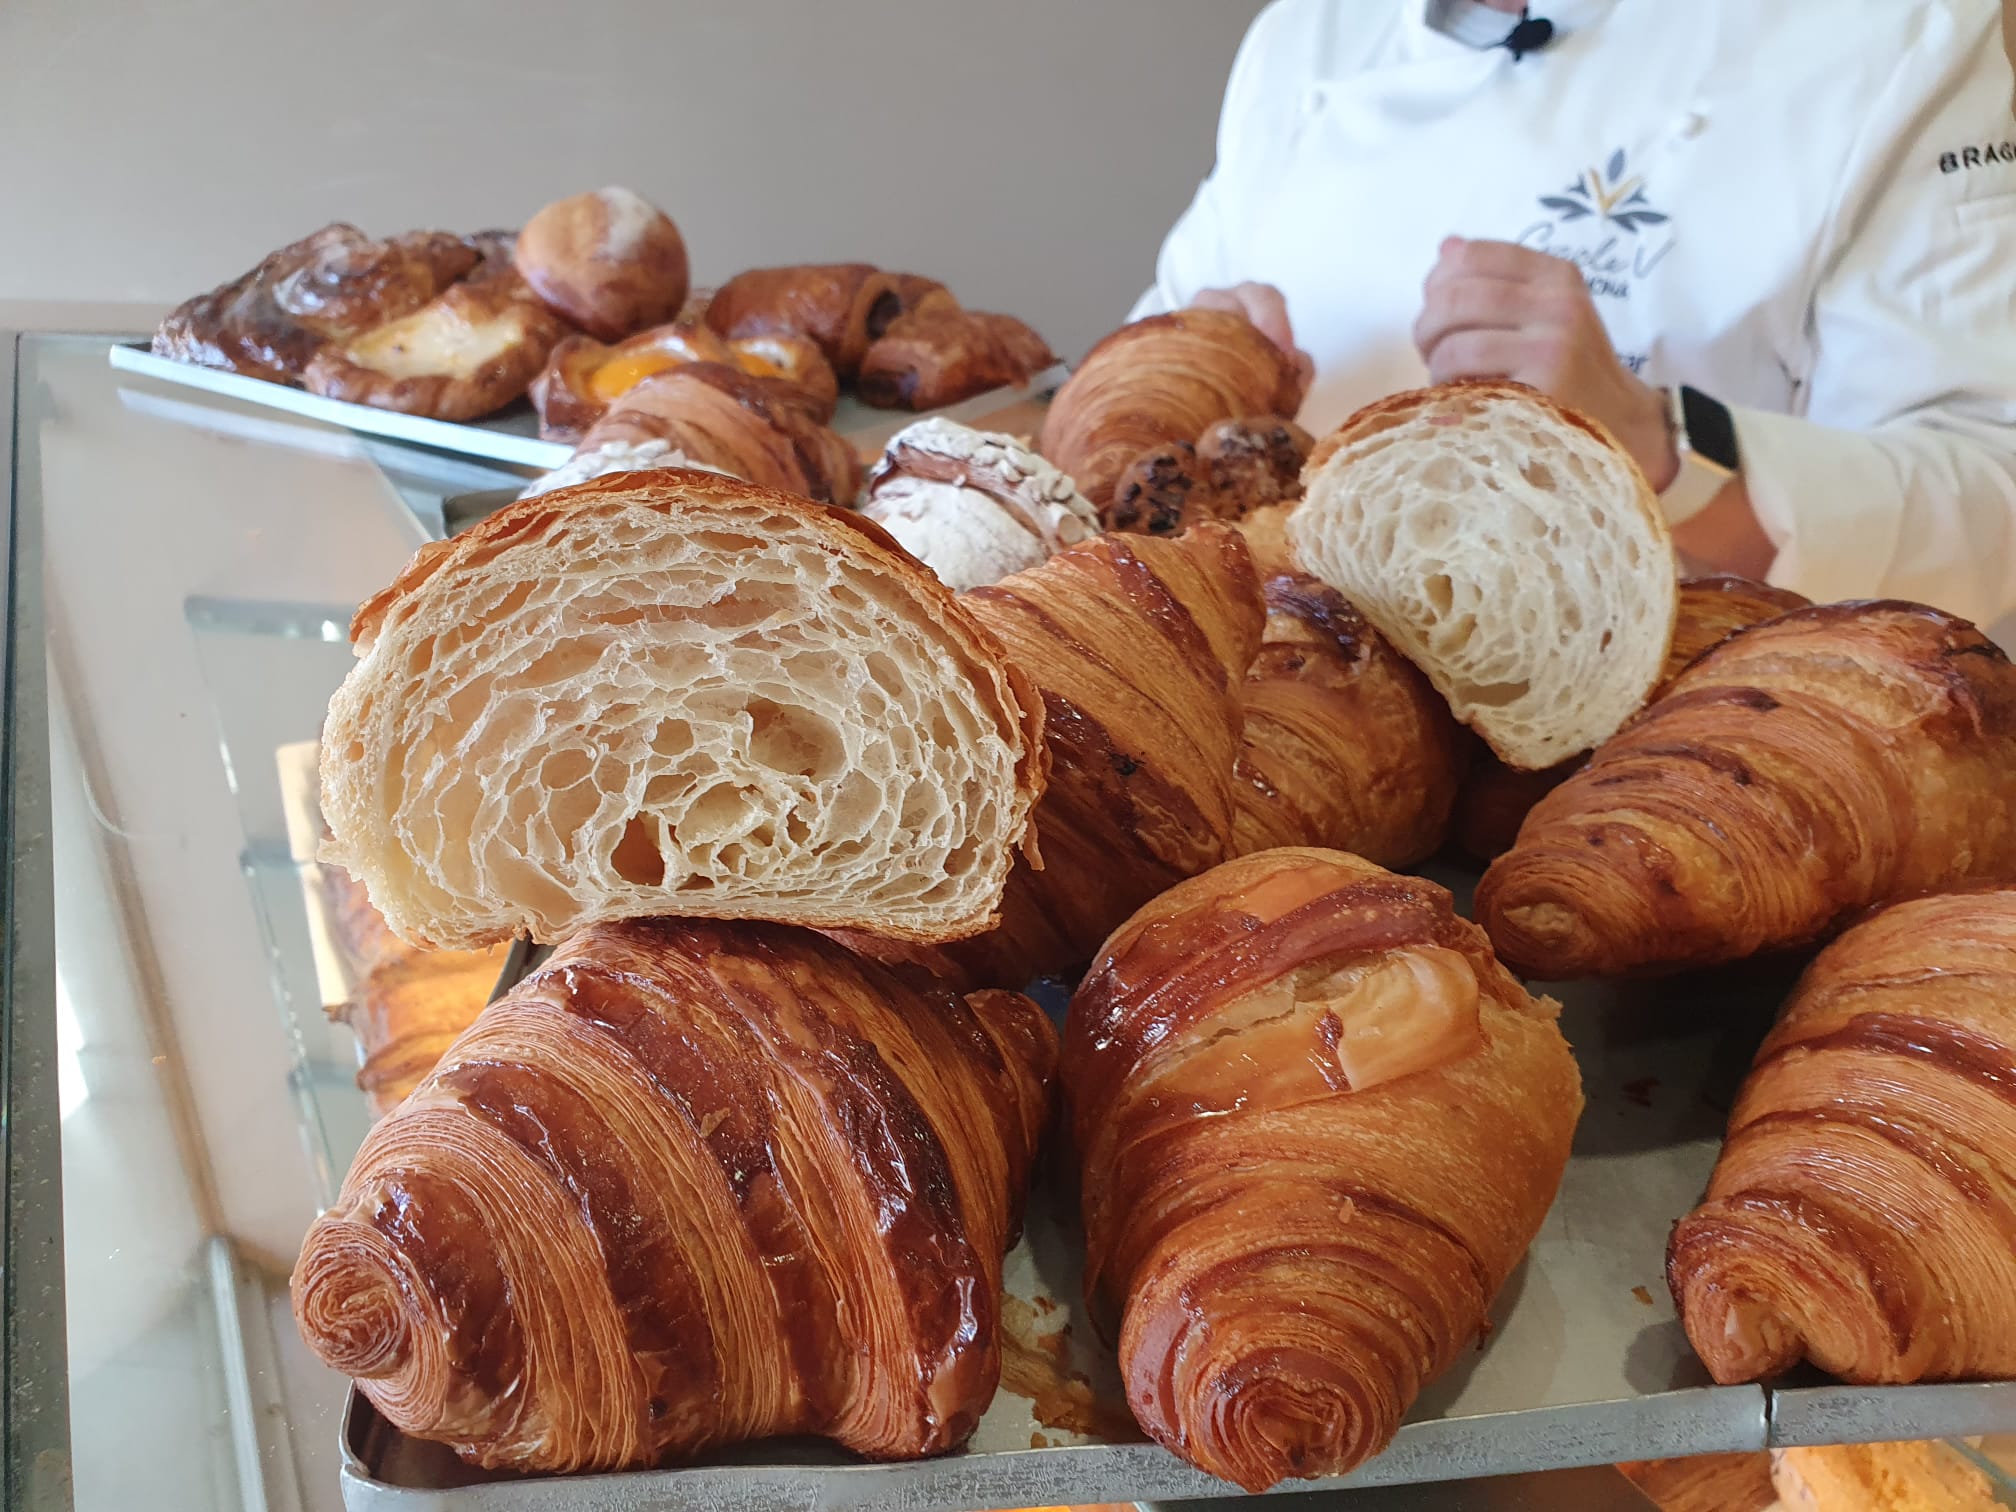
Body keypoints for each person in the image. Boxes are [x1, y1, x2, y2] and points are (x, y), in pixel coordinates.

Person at [1134, 0, 2016, 630]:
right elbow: (1121, 422)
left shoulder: (1895, 32)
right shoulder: (1308, 33)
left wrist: (1658, 449)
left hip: (1687, 763)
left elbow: (1990, 497)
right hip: (1302, 713)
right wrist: (1191, 369)